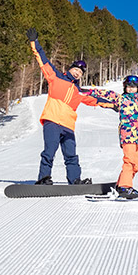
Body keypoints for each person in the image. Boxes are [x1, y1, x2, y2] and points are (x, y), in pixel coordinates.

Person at [26, 27, 101, 185]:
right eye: (76, 70)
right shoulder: (56, 77)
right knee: (49, 152)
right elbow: (43, 61)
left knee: (71, 155)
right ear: (70, 69)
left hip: (68, 126)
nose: (77, 73)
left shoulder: (79, 91)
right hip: (52, 121)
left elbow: (96, 100)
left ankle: (75, 180)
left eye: (80, 73)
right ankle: (43, 178)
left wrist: (115, 105)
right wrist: (34, 42)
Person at [91, 75, 138, 199]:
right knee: (129, 160)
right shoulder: (121, 99)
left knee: (137, 164)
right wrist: (92, 91)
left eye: (134, 87)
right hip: (127, 135)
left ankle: (120, 185)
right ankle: (125, 186)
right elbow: (108, 94)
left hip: (137, 137)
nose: (131, 89)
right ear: (125, 87)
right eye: (129, 87)